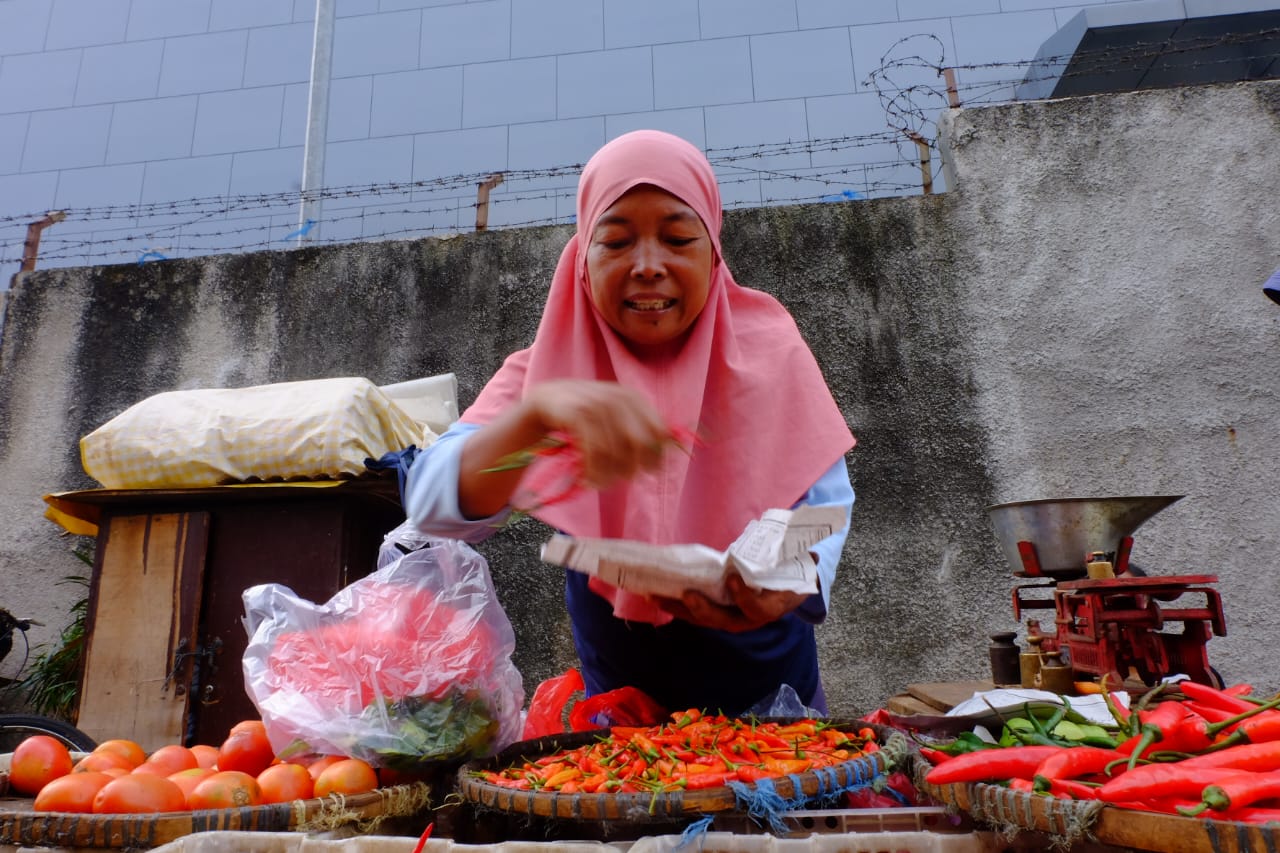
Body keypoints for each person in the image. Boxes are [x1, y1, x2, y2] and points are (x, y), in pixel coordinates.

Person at [404, 129, 855, 715]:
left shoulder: (772, 353)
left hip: (778, 714)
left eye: (677, 238)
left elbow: (824, 503)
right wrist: (533, 426)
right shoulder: (546, 378)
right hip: (620, 730)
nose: (647, 266)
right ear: (582, 259)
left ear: (713, 252)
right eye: (615, 241)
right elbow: (432, 504)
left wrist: (791, 574)